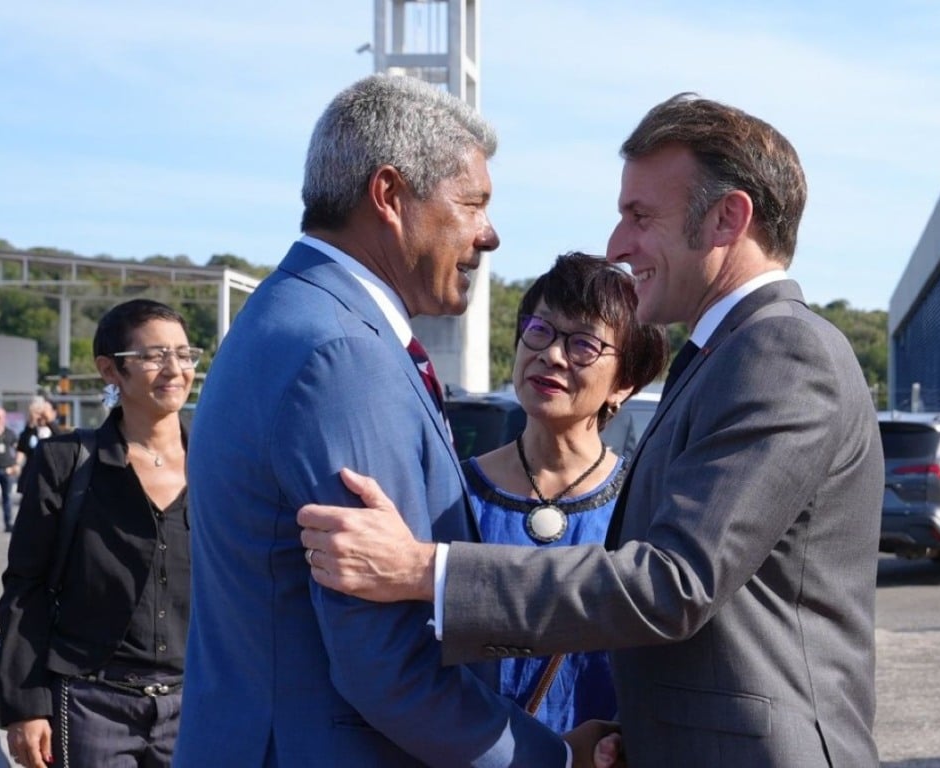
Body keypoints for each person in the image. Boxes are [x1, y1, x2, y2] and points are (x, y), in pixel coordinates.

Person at [298, 92, 886, 767]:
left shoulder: (781, 353)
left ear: (728, 218)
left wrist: (421, 570)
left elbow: (674, 583)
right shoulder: (726, 355)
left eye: (640, 216)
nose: (618, 245)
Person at [174, 74, 617, 768]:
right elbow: (387, 667)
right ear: (389, 196)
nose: (489, 234)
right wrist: (551, 758)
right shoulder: (342, 353)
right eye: (472, 204)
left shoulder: (287, 318)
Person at [464, 252, 666, 730]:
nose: (551, 354)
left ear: (626, 384)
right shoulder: (453, 491)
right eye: (540, 329)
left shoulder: (645, 505)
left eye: (583, 344)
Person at [0, 299, 196, 768]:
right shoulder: (68, 462)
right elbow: (26, 588)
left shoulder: (221, 462)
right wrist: (26, 705)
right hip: (91, 703)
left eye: (185, 354)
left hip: (196, 704)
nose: (174, 369)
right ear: (111, 370)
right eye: (153, 355)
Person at [15, 397, 62, 494]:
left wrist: (49, 421)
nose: (41, 414)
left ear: (54, 412)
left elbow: (62, 441)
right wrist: (31, 423)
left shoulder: (55, 431)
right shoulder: (31, 431)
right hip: (31, 477)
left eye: (45, 409)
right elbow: (22, 447)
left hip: (50, 479)